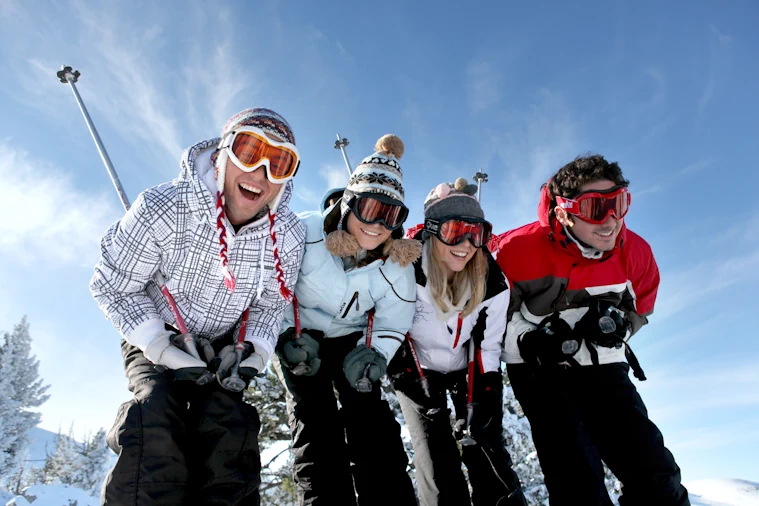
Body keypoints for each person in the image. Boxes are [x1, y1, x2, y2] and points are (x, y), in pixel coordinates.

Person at [90, 108, 306, 506]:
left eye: (278, 163)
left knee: (228, 429)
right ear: (223, 153)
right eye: (249, 150)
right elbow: (114, 286)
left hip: (226, 345)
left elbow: (272, 303)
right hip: (158, 330)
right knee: (156, 418)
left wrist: (250, 352)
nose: (260, 173)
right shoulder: (165, 207)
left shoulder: (287, 235)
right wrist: (159, 344)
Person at [497, 155, 690, 506]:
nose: (611, 221)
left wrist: (617, 326)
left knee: (656, 476)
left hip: (605, 367)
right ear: (563, 212)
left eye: (617, 204)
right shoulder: (516, 251)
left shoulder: (636, 253)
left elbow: (641, 308)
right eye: (593, 208)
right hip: (540, 372)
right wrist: (530, 339)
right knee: (578, 480)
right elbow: (491, 315)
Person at [274, 134, 420, 506]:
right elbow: (270, 291)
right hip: (301, 339)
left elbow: (393, 320)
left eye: (391, 215)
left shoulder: (395, 264)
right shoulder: (303, 233)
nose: (377, 224)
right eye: (370, 208)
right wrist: (283, 336)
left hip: (353, 342)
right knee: (314, 422)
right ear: (349, 203)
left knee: (370, 419)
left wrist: (376, 353)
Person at [389, 178, 528, 506]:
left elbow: (488, 344)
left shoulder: (492, 283)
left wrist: (486, 391)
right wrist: (407, 377)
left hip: (466, 368)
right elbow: (391, 327)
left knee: (485, 446)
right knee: (435, 457)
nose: (466, 244)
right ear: (433, 230)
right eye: (455, 231)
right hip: (418, 369)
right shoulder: (407, 269)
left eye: (476, 233)